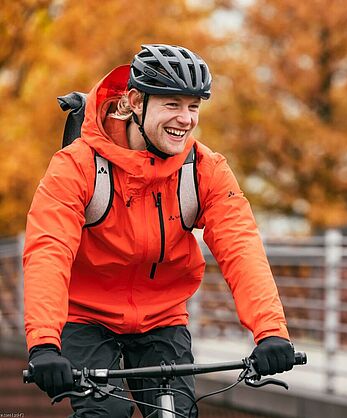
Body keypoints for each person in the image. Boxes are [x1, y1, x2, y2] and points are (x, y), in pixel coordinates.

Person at [23, 44, 295, 418]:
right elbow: (47, 251)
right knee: (106, 415)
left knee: (175, 415)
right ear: (135, 101)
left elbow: (241, 247)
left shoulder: (205, 170)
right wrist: (43, 345)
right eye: (172, 104)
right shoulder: (77, 166)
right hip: (84, 315)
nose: (185, 119)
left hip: (162, 318)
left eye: (194, 106)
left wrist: (271, 332)